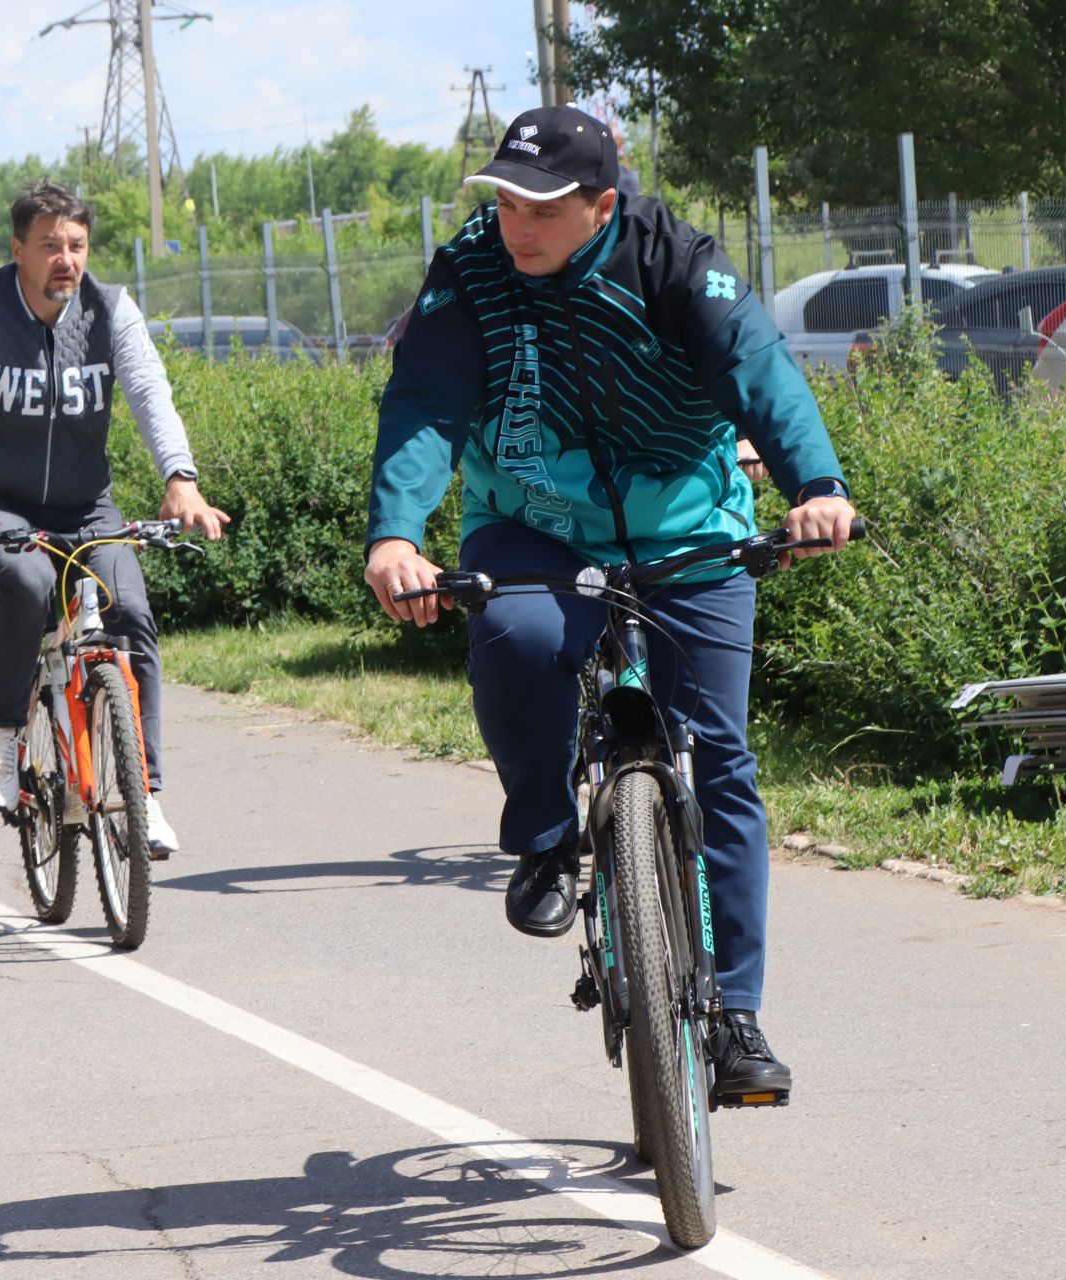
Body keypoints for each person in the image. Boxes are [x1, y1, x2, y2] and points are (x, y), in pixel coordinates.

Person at [364, 106, 857, 1103]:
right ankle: (547, 834)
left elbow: (758, 369)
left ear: (601, 201)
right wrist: (396, 534)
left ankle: (738, 1014)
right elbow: (425, 398)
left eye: (542, 206)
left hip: (688, 532)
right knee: (512, 632)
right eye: (505, 200)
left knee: (716, 757)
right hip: (533, 524)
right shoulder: (472, 271)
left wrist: (816, 484)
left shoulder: (674, 260)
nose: (518, 223)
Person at [0, 181, 228, 856]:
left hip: (88, 505)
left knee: (130, 610)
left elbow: (150, 390)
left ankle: (143, 794)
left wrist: (180, 479)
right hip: (2, 504)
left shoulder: (109, 310)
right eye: (48, 246)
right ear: (18, 251)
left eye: (76, 245)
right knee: (32, 586)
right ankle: (2, 736)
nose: (65, 260)